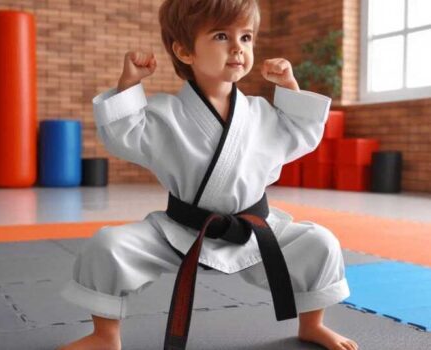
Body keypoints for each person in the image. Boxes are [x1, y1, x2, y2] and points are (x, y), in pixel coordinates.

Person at [58, 0, 358, 349]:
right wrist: (128, 83)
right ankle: (104, 336)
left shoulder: (261, 113)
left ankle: (312, 325)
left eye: (246, 37)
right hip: (179, 231)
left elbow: (300, 133)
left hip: (253, 231)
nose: (237, 48)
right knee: (107, 246)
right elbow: (124, 132)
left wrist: (289, 87)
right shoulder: (165, 113)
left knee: (320, 243)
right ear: (185, 51)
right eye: (221, 36)